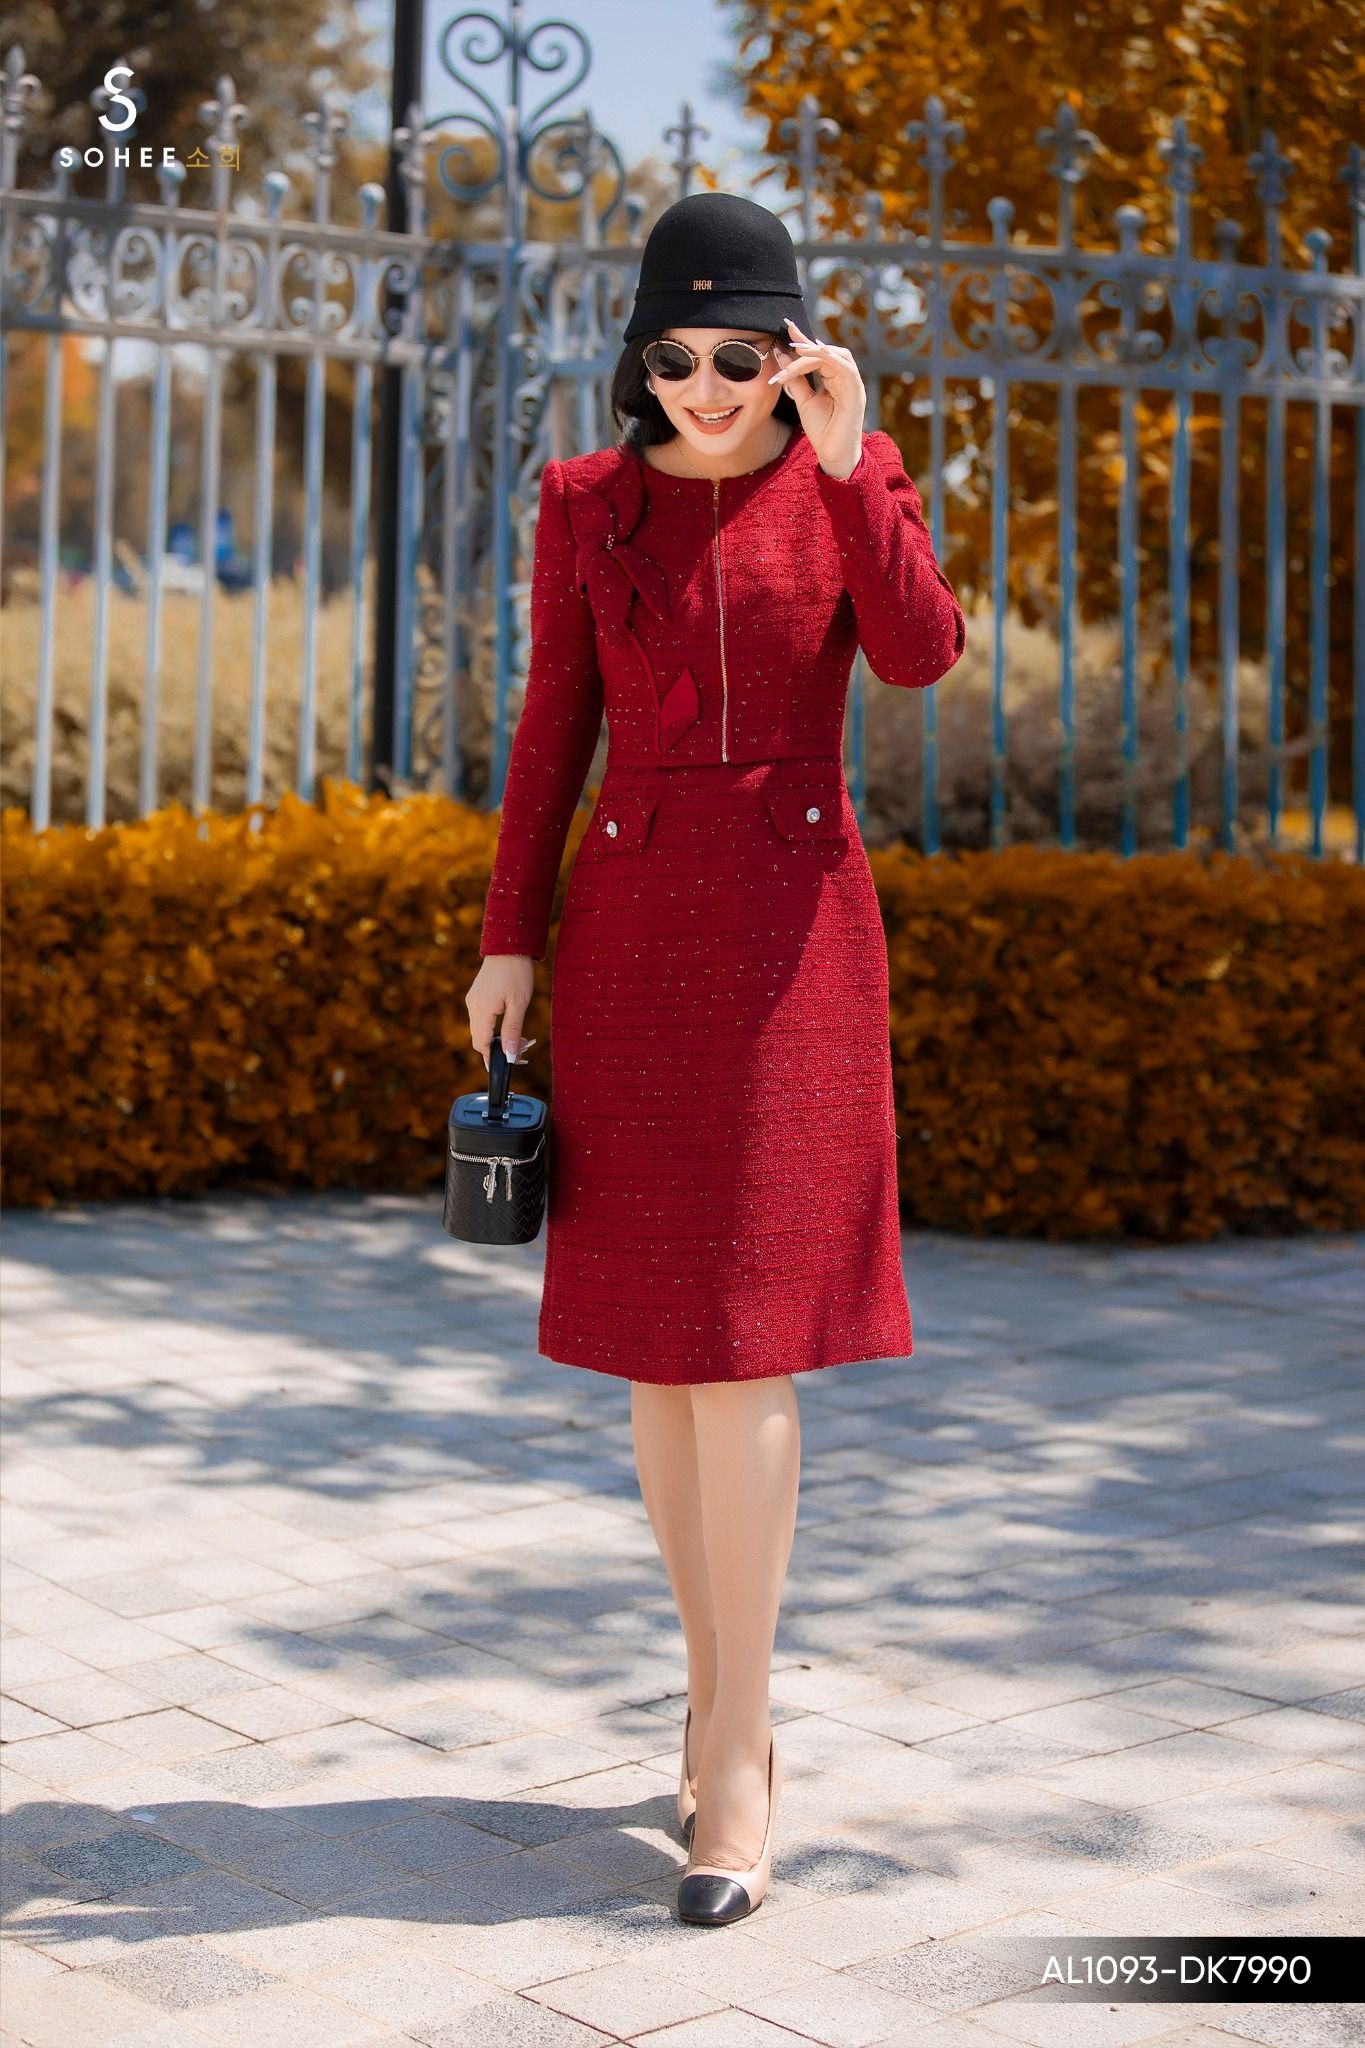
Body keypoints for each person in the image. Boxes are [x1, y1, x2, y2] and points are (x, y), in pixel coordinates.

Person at [464, 191, 965, 1925]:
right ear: (638, 358)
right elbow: (552, 727)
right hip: (629, 940)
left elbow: (918, 653)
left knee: (744, 1345)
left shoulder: (847, 476)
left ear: (790, 354)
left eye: (736, 356)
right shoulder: (584, 503)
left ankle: (736, 1752)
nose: (698, 385)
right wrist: (507, 935)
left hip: (791, 943)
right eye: (670, 355)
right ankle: (710, 1700)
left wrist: (847, 460)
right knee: (662, 1354)